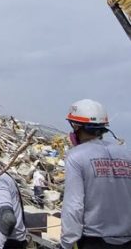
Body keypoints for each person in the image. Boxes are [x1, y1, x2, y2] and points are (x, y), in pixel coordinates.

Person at [60, 99, 131, 249]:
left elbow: (74, 205)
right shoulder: (126, 154)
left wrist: (66, 243)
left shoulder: (76, 156)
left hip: (94, 241)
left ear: (77, 126)